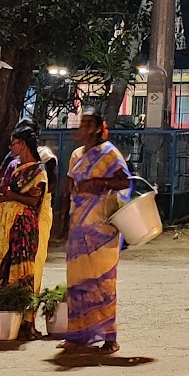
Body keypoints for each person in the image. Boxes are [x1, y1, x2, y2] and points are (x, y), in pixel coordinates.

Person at [0, 122, 53, 335]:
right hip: (5, 224)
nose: (11, 147)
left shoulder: (38, 171)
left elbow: (34, 201)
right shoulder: (13, 165)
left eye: (14, 143)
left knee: (23, 271)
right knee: (0, 269)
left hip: (24, 227)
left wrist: (11, 196)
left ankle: (26, 322)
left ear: (23, 144)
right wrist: (6, 197)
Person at [61, 108, 131, 352]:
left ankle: (110, 337)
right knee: (78, 280)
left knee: (103, 282)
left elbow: (125, 181)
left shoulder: (110, 154)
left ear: (100, 126)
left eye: (90, 123)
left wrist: (100, 183)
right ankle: (79, 333)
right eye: (83, 123)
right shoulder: (75, 155)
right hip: (79, 227)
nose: (85, 128)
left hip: (102, 229)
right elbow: (70, 186)